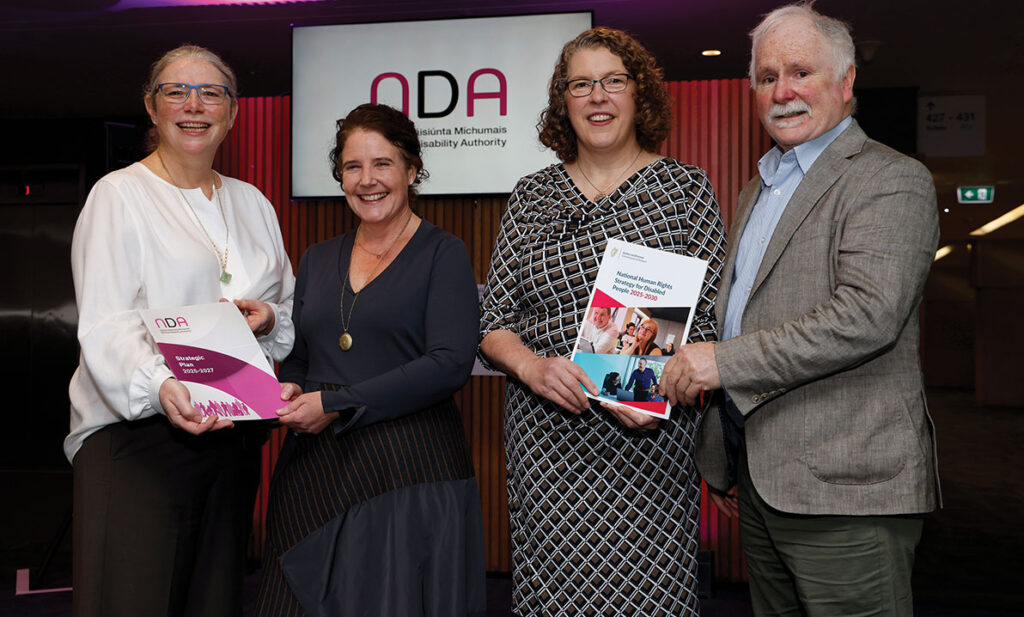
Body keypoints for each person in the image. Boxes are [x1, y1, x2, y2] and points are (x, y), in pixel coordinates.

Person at [660, 4, 940, 615]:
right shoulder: (757, 189)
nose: (782, 92)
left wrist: (721, 363)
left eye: (800, 72)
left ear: (846, 81)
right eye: (767, 77)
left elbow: (865, 316)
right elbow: (744, 313)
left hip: (847, 491)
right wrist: (725, 453)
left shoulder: (891, 179)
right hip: (759, 482)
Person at [479, 27, 726, 616]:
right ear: (563, 102)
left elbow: (713, 317)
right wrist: (533, 368)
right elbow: (493, 324)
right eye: (581, 84)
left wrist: (651, 384)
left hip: (649, 445)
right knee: (551, 597)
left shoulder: (684, 189)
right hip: (547, 445)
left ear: (639, 93)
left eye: (614, 81)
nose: (598, 96)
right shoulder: (531, 195)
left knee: (652, 596)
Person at [67, 45, 295, 617]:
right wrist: (159, 385)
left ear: (232, 112)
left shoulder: (253, 203)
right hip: (139, 439)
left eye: (211, 93)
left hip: (233, 433)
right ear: (152, 107)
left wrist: (269, 319)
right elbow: (106, 322)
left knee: (212, 601)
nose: (194, 106)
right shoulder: (119, 195)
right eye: (176, 92)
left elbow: (284, 304)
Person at [256, 103, 486, 616]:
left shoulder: (443, 253)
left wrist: (337, 402)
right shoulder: (317, 257)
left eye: (382, 163)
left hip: (408, 471)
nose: (367, 180)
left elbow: (449, 363)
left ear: (412, 170)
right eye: (352, 167)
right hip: (315, 472)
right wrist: (292, 389)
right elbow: (300, 354)